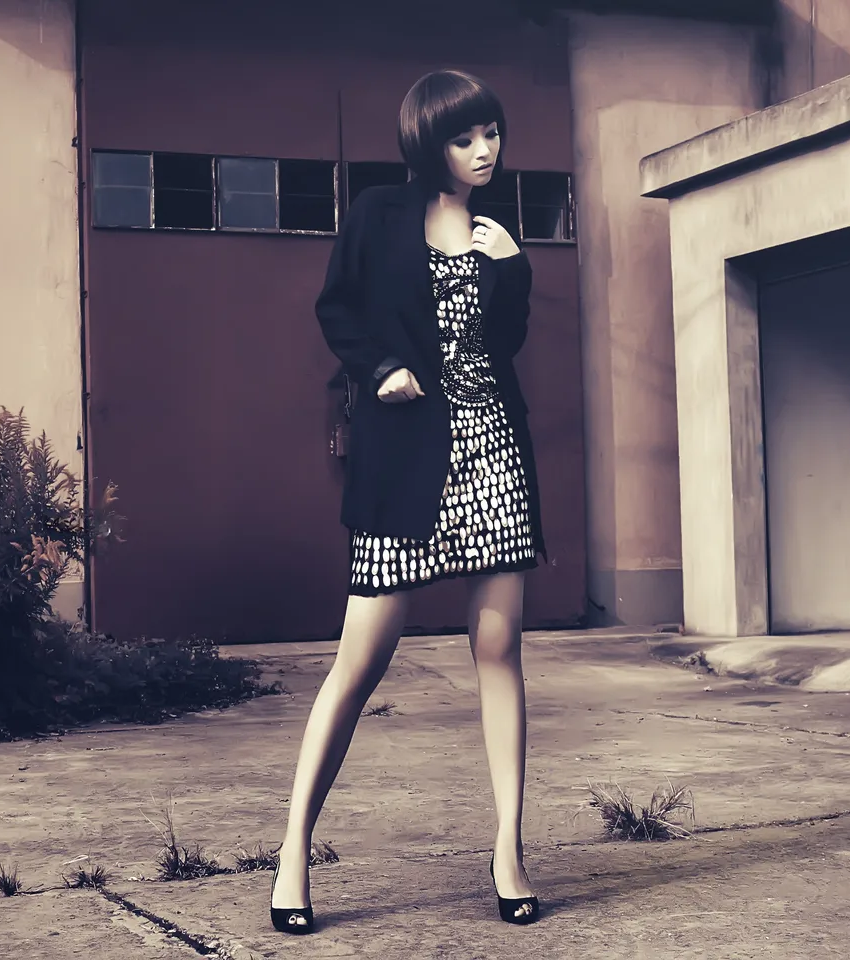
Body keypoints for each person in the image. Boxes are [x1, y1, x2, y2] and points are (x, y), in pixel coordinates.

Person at [267, 68, 546, 934]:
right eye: (465, 138)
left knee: (499, 648)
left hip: (492, 451)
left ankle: (509, 849)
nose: (485, 150)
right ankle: (292, 851)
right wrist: (381, 367)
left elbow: (504, 345)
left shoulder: (497, 232)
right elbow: (338, 309)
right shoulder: (379, 213)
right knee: (359, 663)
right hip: (405, 462)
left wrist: (515, 269)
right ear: (431, 144)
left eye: (491, 133)